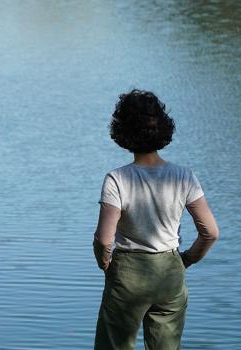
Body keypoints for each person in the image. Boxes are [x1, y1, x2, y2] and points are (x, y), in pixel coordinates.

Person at [93, 89, 219, 350]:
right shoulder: (183, 176)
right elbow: (210, 232)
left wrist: (105, 264)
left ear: (122, 131)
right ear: (162, 128)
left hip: (128, 272)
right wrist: (186, 260)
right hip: (170, 273)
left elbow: (104, 240)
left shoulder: (117, 179)